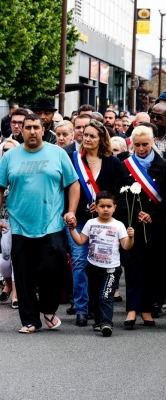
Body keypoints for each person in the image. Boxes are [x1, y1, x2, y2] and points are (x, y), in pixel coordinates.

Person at [0, 113, 80, 333]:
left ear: (44, 129)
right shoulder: (9, 157)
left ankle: (48, 309)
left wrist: (71, 211)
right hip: (19, 224)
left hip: (52, 223)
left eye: (36, 127)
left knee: (54, 270)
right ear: (21, 130)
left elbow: (73, 184)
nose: (32, 131)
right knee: (23, 275)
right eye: (28, 127)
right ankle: (29, 321)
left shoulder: (58, 154)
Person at [65, 119, 121, 326]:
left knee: (101, 266)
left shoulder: (112, 162)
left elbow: (118, 191)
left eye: (92, 136)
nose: (87, 139)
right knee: (79, 263)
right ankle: (81, 308)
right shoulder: (72, 160)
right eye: (85, 135)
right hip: (79, 221)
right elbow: (66, 188)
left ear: (101, 139)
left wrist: (103, 207)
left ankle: (98, 307)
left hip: (103, 225)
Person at [117, 125, 166, 329]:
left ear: (153, 143)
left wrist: (153, 215)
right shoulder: (124, 166)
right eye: (137, 145)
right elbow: (118, 196)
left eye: (145, 144)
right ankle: (132, 309)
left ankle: (147, 309)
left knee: (152, 267)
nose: (141, 149)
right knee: (132, 266)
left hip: (156, 225)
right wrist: (134, 214)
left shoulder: (163, 165)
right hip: (132, 225)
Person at [69, 190, 134, 336]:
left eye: (109, 206)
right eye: (102, 206)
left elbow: (126, 246)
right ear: (95, 207)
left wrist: (131, 237)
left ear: (114, 207)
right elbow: (80, 241)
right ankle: (98, 321)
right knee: (95, 296)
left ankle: (106, 323)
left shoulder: (119, 225)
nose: (105, 209)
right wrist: (72, 229)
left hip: (111, 268)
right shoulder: (90, 223)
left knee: (106, 296)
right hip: (93, 267)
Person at [0, 139, 21, 309]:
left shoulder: (18, 170)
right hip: (1, 220)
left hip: (16, 221)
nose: (7, 153)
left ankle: (16, 293)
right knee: (4, 261)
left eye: (10, 150)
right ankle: (7, 285)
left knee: (15, 258)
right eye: (4, 149)